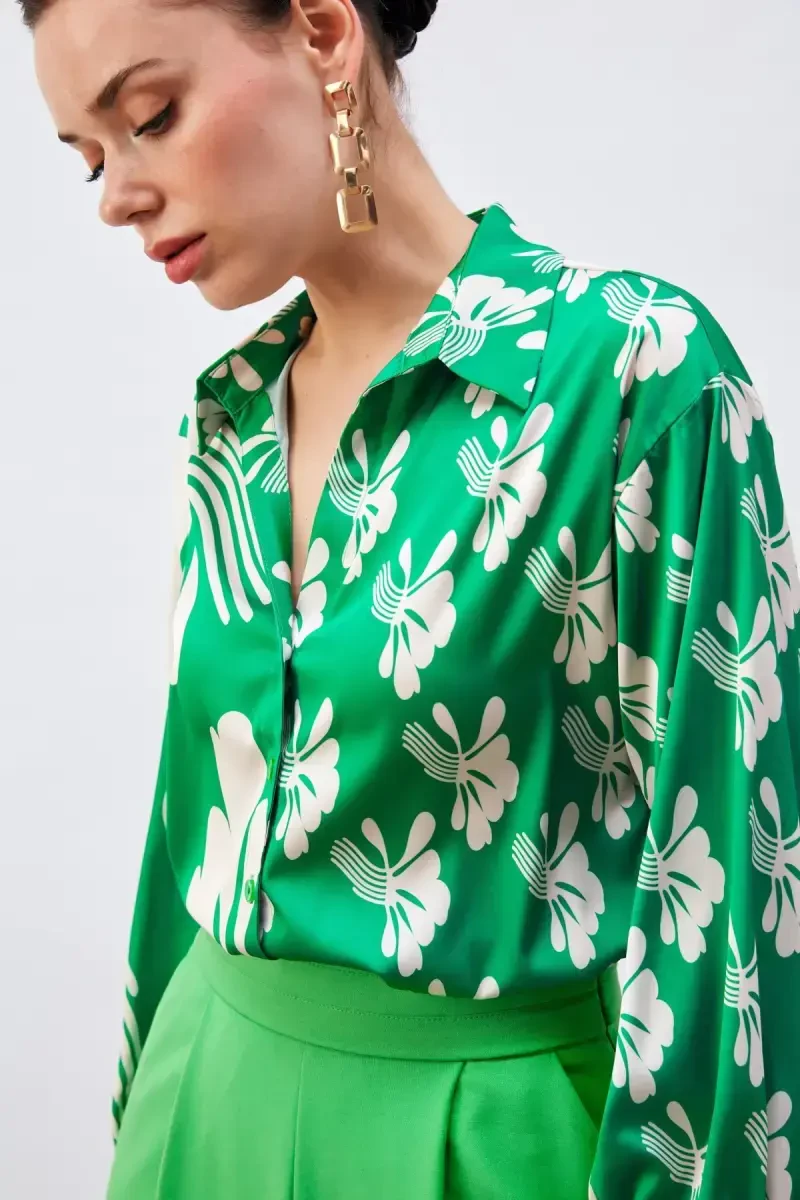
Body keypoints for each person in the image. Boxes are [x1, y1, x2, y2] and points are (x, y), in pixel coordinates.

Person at [25, 0, 800, 1195]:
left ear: (324, 32)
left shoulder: (631, 375)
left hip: (477, 1144)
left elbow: (733, 907)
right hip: (200, 1105)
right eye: (89, 158)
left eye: (152, 116)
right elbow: (188, 833)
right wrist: (145, 1116)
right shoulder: (231, 414)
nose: (116, 197)